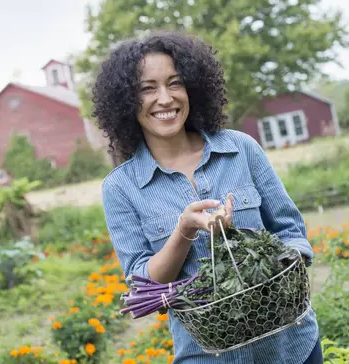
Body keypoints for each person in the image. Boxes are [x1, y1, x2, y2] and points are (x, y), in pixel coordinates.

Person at [91, 31, 322, 364]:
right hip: (206, 356)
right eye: (147, 88)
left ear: (192, 88)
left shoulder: (241, 149)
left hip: (294, 347)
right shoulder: (120, 188)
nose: (165, 98)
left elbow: (290, 232)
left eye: (175, 83)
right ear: (126, 101)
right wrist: (184, 231)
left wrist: (270, 268)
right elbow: (143, 287)